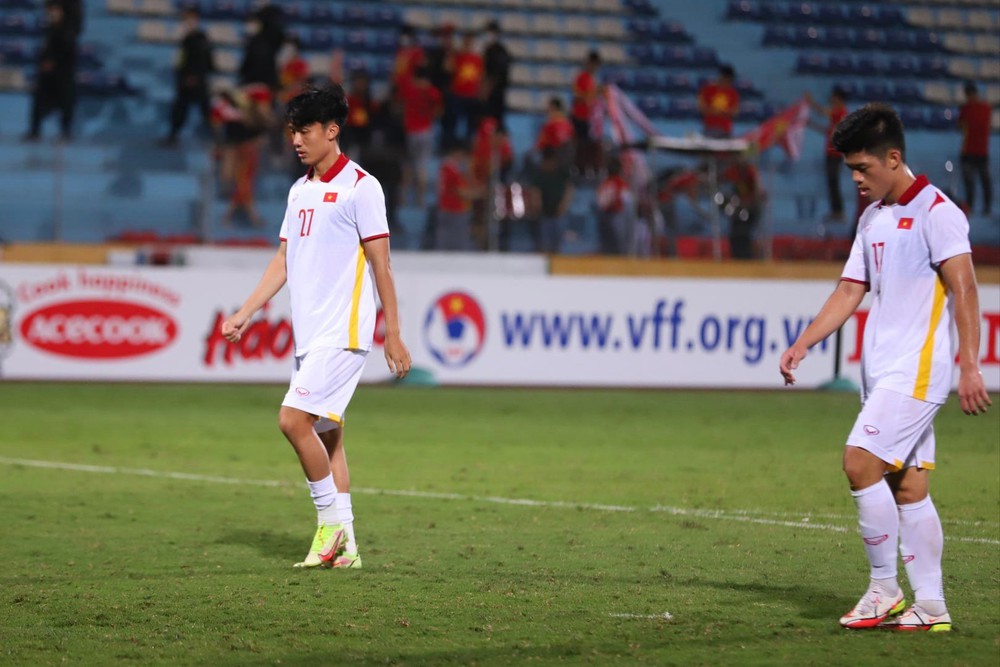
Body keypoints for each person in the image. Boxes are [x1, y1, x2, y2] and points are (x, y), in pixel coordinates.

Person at [780, 103, 991, 632]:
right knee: (909, 487)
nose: (855, 178)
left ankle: (883, 588)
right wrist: (804, 342)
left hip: (917, 372)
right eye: (850, 169)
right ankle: (931, 605)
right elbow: (852, 287)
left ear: (893, 158)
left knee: (859, 462)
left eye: (862, 167)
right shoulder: (872, 217)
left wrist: (971, 366)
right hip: (884, 372)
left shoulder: (937, 212)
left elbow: (964, 287)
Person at [222, 85, 411, 570]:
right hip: (311, 336)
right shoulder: (299, 190)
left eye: (305, 131)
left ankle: (328, 524)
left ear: (332, 131)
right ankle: (345, 546)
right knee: (329, 439)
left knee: (291, 420)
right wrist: (246, 311)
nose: (297, 141)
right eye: (292, 132)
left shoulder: (361, 187)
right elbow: (284, 259)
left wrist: (392, 331)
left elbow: (381, 265)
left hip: (343, 333)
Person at [25, 1, 77, 141]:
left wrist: (52, 61)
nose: (50, 12)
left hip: (62, 73)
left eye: (54, 10)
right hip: (47, 73)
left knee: (65, 102)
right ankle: (35, 131)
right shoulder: (50, 27)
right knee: (39, 101)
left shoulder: (68, 30)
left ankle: (65, 132)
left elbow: (66, 49)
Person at [162, 7, 214, 147]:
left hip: (194, 79)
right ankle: (173, 136)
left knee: (204, 110)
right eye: (185, 19)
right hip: (186, 79)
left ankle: (219, 137)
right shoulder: (187, 38)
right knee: (182, 108)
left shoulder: (200, 38)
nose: (187, 22)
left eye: (190, 19)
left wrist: (194, 76)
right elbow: (183, 60)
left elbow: (206, 61)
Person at [399, 64, 442, 206]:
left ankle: (403, 198)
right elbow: (438, 111)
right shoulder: (433, 92)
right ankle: (421, 199)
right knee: (422, 166)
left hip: (411, 131)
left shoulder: (410, 89)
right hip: (426, 131)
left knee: (409, 166)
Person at [808, 86, 849, 223]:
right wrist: (812, 124)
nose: (831, 100)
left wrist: (811, 102)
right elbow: (828, 132)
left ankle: (839, 211)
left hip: (835, 154)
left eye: (834, 97)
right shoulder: (836, 115)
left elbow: (824, 112)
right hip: (830, 152)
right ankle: (835, 211)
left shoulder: (841, 113)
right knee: (831, 183)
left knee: (834, 182)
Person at [526, 146, 574, 253]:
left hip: (559, 213)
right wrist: (537, 205)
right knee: (543, 243)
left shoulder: (562, 173)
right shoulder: (539, 175)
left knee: (559, 244)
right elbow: (535, 191)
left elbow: (569, 188)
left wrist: (564, 204)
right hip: (544, 214)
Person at [441, 30, 484, 150]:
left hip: (472, 95)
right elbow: (447, 69)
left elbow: (480, 77)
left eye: (470, 41)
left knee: (471, 124)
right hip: (457, 94)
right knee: (452, 122)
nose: (468, 43)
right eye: (466, 41)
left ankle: (468, 145)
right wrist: (450, 54)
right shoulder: (457, 56)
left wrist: (480, 92)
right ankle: (449, 145)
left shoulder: (478, 59)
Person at [957, 82, 992, 217]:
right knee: (984, 181)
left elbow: (961, 126)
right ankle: (985, 208)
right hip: (981, 150)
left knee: (971, 182)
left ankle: (971, 207)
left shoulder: (966, 109)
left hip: (969, 150)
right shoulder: (986, 108)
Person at [571, 50, 602, 177]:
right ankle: (578, 168)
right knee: (581, 144)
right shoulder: (580, 78)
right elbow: (577, 97)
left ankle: (589, 168)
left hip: (590, 118)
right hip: (579, 116)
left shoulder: (592, 79)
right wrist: (593, 94)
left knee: (590, 144)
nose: (594, 68)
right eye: (593, 64)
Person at [481, 20, 511, 127]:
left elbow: (498, 73)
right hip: (489, 94)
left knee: (496, 121)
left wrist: (488, 87)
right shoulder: (487, 50)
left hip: (497, 93)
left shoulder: (500, 51)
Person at [697, 64, 739, 139]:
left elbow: (735, 112)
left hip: (726, 131)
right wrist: (716, 111)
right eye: (727, 80)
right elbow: (701, 109)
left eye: (730, 81)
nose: (728, 83)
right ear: (721, 77)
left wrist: (721, 112)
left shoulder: (733, 93)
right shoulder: (707, 90)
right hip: (710, 129)